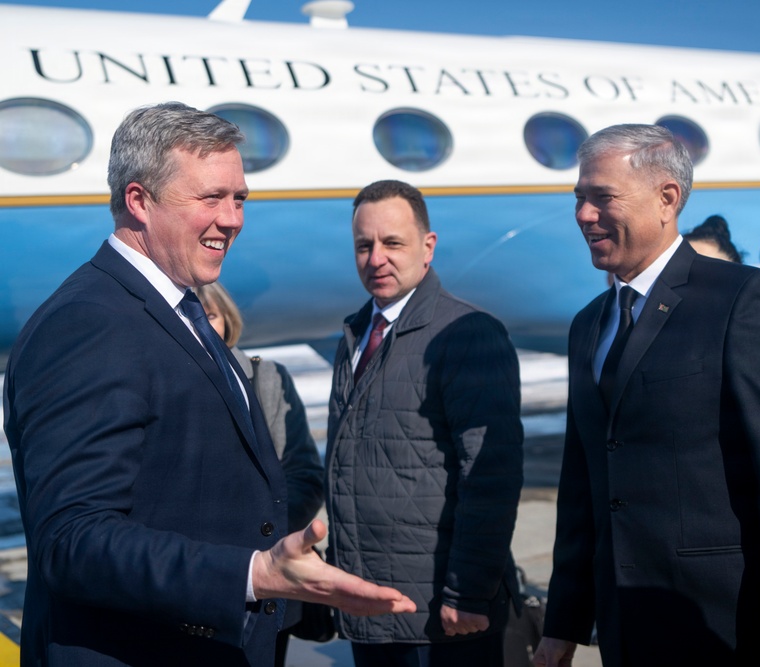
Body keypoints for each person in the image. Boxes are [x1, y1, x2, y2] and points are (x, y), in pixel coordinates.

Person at [2, 102, 413, 666]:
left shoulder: (176, 312)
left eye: (239, 198)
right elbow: (73, 540)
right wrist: (253, 573)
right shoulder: (90, 323)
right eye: (210, 198)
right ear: (139, 201)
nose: (233, 218)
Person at [534, 124, 760, 667]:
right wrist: (564, 624)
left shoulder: (743, 299)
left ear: (667, 199)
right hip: (626, 631)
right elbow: (585, 485)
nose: (583, 215)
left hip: (725, 631)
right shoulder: (589, 325)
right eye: (579, 198)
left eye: (602, 197)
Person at [326, 179, 524, 667]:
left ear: (427, 247)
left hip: (441, 617)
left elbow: (490, 476)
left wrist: (469, 592)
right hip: (371, 606)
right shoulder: (355, 335)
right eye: (364, 246)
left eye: (393, 243)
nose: (377, 259)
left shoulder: (467, 335)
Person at [196, 281, 326, 665]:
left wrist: (259, 537)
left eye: (211, 315)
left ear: (227, 320)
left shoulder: (267, 380)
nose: (202, 325)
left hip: (268, 575)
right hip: (193, 582)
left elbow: (304, 474)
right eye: (189, 316)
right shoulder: (161, 381)